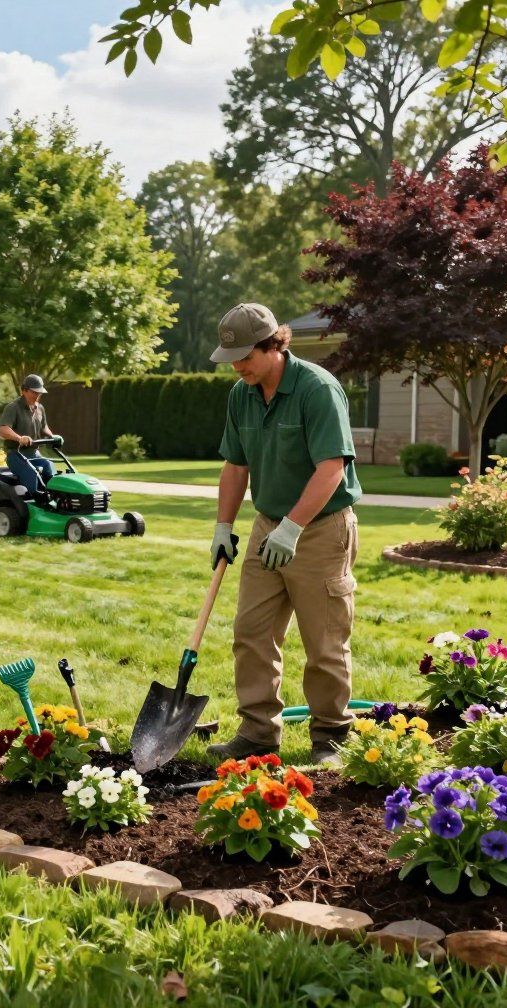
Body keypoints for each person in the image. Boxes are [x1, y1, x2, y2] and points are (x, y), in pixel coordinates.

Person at [205, 303, 362, 766]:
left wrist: (293, 528)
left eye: (244, 356)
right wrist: (223, 526)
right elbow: (236, 465)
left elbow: (332, 467)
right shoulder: (242, 394)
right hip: (267, 526)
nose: (236, 366)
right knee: (250, 632)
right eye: (230, 357)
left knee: (324, 640)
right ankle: (257, 732)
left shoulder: (317, 389)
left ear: (273, 344)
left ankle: (331, 735)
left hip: (320, 530)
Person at [0, 374, 63, 500]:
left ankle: (55, 498)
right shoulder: (13, 408)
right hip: (16, 455)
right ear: (24, 390)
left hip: (34, 454)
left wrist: (53, 436)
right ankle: (34, 501)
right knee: (31, 473)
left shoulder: (40, 408)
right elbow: (2, 430)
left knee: (49, 465)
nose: (37, 395)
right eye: (34, 392)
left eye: (40, 392)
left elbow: (44, 427)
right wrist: (19, 438)